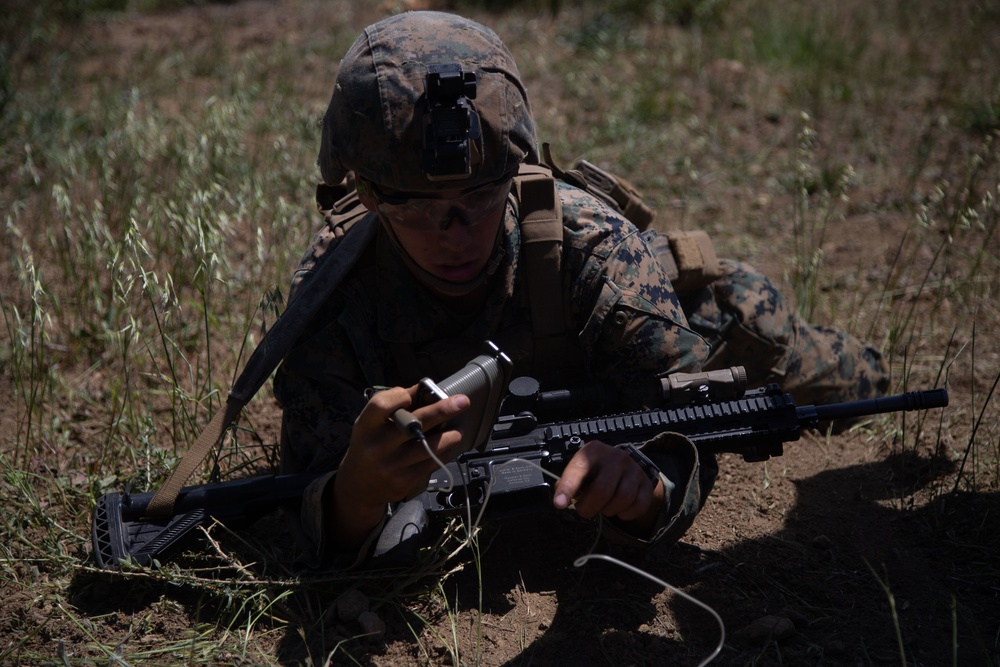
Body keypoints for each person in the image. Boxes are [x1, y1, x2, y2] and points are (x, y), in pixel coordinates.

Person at [273, 11, 889, 569]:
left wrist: (647, 492)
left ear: (513, 177)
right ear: (369, 194)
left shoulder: (595, 248)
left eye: (482, 196)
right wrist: (354, 495)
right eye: (415, 206)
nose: (454, 235)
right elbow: (311, 483)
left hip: (679, 325)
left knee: (829, 374)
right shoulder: (328, 296)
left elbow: (686, 429)